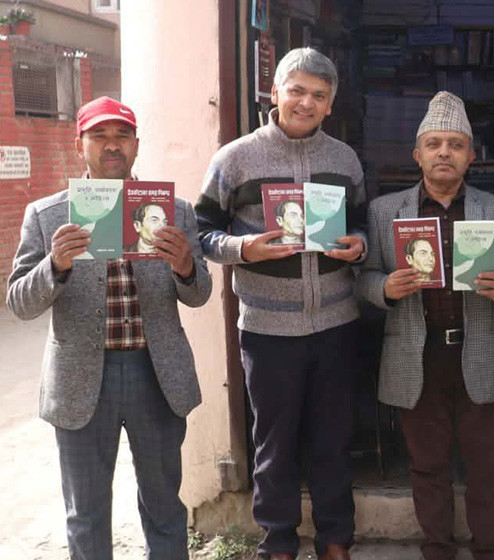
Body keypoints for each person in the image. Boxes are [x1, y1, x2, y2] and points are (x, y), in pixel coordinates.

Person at [7, 96, 212, 560]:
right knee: (85, 513)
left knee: (164, 506)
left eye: (122, 136)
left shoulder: (174, 211)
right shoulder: (48, 215)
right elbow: (19, 303)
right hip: (81, 377)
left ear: (137, 144)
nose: (112, 145)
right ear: (79, 144)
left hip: (155, 373)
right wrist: (54, 266)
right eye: (99, 136)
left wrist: (185, 266)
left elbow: (199, 294)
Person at [194, 48, 366, 560]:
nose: (306, 103)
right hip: (268, 328)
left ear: (330, 104)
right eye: (297, 91)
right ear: (275, 92)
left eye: (318, 95)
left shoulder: (345, 159)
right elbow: (202, 233)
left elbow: (360, 223)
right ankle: (279, 544)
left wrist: (358, 244)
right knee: (274, 444)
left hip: (337, 322)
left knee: (333, 440)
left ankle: (335, 541)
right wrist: (243, 248)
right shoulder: (235, 158)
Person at [359, 91, 494, 560]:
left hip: (479, 350)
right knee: (427, 466)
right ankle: (437, 550)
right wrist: (385, 288)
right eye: (434, 144)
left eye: (455, 145)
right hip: (417, 353)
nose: (444, 153)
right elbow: (363, 277)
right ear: (417, 155)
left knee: (487, 467)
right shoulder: (385, 211)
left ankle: (490, 551)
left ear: (471, 156)